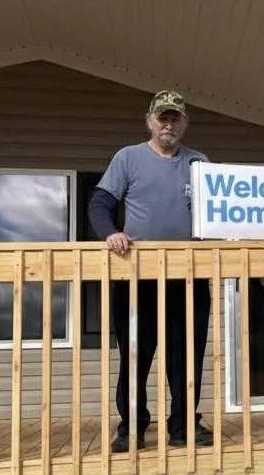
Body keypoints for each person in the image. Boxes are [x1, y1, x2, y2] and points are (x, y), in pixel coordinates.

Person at [88, 90, 212, 452]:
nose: (168, 124)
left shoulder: (200, 163)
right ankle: (132, 427)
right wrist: (110, 232)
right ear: (149, 121)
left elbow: (219, 212)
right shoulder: (127, 159)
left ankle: (183, 426)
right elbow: (99, 204)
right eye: (163, 117)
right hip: (137, 277)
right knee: (135, 355)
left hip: (188, 278)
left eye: (175, 118)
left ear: (185, 123)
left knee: (185, 355)